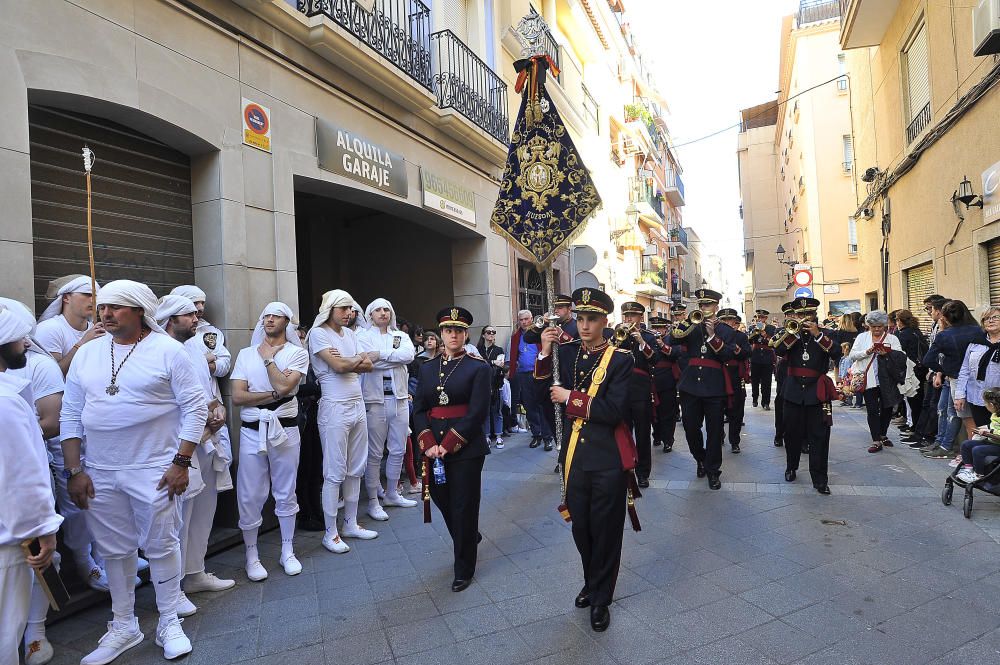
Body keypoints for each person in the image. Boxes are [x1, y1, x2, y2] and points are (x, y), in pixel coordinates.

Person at [60, 280, 208, 663]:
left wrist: (180, 463)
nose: (105, 314)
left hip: (155, 469)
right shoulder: (87, 353)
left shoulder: (169, 351)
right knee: (114, 550)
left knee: (161, 545)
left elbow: (195, 409)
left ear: (139, 310)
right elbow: (71, 413)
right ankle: (123, 624)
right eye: (103, 307)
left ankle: (169, 620)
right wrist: (75, 469)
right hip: (100, 471)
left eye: (116, 307)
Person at [535, 287, 633, 632]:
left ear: (605, 321)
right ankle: (592, 579)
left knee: (606, 530)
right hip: (574, 457)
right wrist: (546, 351)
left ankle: (601, 597)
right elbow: (540, 394)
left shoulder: (621, 359)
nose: (585, 325)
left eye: (592, 319)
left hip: (607, 458)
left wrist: (570, 399)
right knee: (581, 526)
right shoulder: (567, 352)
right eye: (580, 318)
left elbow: (614, 410)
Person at [155, 295, 232, 618]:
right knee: (178, 519)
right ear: (171, 320)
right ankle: (174, 588)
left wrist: (219, 411)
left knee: (204, 508)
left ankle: (195, 571)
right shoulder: (160, 350)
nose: (196, 319)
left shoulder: (198, 347)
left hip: (207, 437)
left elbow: (207, 392)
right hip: (180, 445)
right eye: (189, 315)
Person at [1, 299, 64, 665]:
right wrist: (43, 528)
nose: (26, 344)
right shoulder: (6, 402)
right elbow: (21, 478)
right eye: (18, 339)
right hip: (10, 542)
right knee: (6, 635)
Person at [413, 307, 490, 593]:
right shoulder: (427, 368)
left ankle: (464, 567)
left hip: (465, 448)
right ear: (441, 334)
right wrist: (429, 443)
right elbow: (419, 409)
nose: (453, 335)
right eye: (448, 330)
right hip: (433, 448)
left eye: (459, 330)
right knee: (442, 499)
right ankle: (468, 536)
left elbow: (478, 412)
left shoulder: (478, 367)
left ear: (466, 333)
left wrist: (448, 444)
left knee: (464, 506)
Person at [232, 303, 309, 581]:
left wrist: (268, 360)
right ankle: (251, 555)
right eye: (266, 315)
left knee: (286, 490)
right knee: (250, 494)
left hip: (285, 430)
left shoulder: (297, 353)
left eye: (276, 315)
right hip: (253, 430)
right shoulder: (244, 354)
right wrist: (274, 395)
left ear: (286, 321)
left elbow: (286, 386)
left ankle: (287, 550)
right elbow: (238, 397)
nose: (269, 319)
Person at [308, 290, 378, 554]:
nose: (350, 313)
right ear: (330, 309)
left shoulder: (349, 335)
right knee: (334, 470)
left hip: (357, 404)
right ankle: (331, 532)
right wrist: (354, 361)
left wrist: (351, 361)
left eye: (351, 309)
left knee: (355, 467)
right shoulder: (318, 334)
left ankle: (350, 523)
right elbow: (337, 367)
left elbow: (369, 364)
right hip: (334, 407)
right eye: (344, 309)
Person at [670, 288, 738, 490]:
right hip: (690, 385)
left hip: (714, 387)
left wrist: (711, 335)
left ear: (716, 307)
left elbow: (727, 355)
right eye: (701, 305)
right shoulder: (692, 325)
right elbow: (673, 339)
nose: (703, 308)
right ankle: (700, 458)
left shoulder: (726, 331)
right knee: (691, 428)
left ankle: (713, 470)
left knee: (715, 431)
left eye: (707, 305)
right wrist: (688, 322)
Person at [773, 297, 842, 494]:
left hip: (817, 392)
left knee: (820, 436)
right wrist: (792, 333)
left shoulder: (827, 333)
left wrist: (818, 335)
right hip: (793, 391)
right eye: (800, 314)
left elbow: (837, 353)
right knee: (791, 434)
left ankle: (820, 478)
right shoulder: (789, 333)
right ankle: (791, 467)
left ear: (815, 315)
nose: (804, 318)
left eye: (808, 314)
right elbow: (778, 350)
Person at [358, 298, 418, 520]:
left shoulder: (400, 336)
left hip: (400, 399)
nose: (383, 313)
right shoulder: (361, 337)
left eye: (386, 309)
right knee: (374, 454)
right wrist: (390, 359)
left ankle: (392, 493)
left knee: (398, 449)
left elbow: (408, 356)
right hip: (374, 401)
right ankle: (373, 500)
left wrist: (380, 355)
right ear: (370, 314)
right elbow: (366, 362)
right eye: (378, 310)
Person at [921, 300, 986, 459]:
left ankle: (970, 455)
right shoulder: (979, 331)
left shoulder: (945, 335)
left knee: (966, 418)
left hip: (956, 379)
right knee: (969, 416)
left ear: (946, 318)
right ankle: (954, 447)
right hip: (980, 379)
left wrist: (944, 371)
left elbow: (928, 360)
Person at [847, 311, 905, 453]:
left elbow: (901, 356)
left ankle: (883, 434)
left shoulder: (892, 338)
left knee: (887, 409)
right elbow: (852, 355)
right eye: (873, 326)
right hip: (869, 380)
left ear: (884, 325)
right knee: (872, 410)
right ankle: (876, 440)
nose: (877, 329)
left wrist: (888, 353)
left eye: (880, 326)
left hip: (887, 380)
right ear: (869, 326)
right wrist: (867, 352)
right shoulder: (862, 337)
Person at [619, 302, 660, 487]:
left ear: (640, 318)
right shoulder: (618, 335)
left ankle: (643, 472)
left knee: (643, 434)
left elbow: (655, 359)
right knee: (624, 432)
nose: (628, 320)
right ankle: (626, 467)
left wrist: (641, 342)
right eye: (626, 316)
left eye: (632, 316)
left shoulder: (649, 337)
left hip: (641, 390)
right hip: (621, 391)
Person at [36, 275, 104, 376]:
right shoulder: (49, 329)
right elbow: (52, 376)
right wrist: (82, 344)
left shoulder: (98, 331)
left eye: (96, 295)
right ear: (66, 298)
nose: (93, 300)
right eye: (87, 294)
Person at [508, 310, 553, 449]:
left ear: (532, 319)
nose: (524, 322)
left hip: (539, 374)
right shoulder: (516, 336)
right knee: (529, 405)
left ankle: (547, 437)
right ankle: (536, 435)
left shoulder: (539, 333)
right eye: (521, 320)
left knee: (542, 405)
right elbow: (513, 355)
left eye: (526, 319)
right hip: (523, 374)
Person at [955, 306, 1000, 429]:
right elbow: (965, 370)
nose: (990, 321)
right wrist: (959, 395)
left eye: (995, 317)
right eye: (986, 318)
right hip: (977, 398)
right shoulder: (975, 343)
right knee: (983, 433)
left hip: (998, 400)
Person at [718, 308, 751, 453]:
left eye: (729, 320)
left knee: (736, 411)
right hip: (717, 375)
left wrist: (737, 350)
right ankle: (719, 435)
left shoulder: (741, 336)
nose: (727, 323)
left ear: (735, 322)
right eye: (723, 320)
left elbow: (747, 353)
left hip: (735, 376)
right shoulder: (713, 336)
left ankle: (734, 441)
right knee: (717, 410)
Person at [649, 316, 683, 454]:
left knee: (667, 411)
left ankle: (668, 440)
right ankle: (656, 435)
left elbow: (676, 354)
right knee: (653, 410)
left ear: (666, 328)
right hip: (651, 379)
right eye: (655, 328)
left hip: (667, 379)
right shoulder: (648, 339)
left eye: (660, 328)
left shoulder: (672, 338)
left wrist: (662, 345)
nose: (657, 330)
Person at [955, 387, 1000, 484]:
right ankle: (968, 469)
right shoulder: (995, 415)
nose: (985, 405)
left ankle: (978, 474)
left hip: (998, 444)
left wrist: (989, 432)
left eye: (986, 403)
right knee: (966, 444)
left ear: (991, 405)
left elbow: (996, 430)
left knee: (978, 450)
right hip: (992, 441)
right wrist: (983, 429)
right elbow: (992, 425)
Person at [894, 309, 928, 432]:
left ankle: (914, 425)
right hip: (920, 368)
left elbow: (899, 353)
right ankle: (911, 423)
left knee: (911, 398)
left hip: (910, 370)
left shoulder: (902, 334)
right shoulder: (916, 332)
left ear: (899, 321)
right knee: (914, 398)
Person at [477, 326, 507, 450]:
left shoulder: (498, 349)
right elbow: (478, 363)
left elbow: (501, 365)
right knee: (485, 412)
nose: (491, 334)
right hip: (482, 385)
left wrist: (489, 362)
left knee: (497, 411)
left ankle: (499, 437)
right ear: (483, 335)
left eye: (493, 332)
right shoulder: (478, 349)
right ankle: (486, 437)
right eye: (488, 332)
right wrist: (493, 362)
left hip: (496, 385)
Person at [772, 302, 798, 447]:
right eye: (789, 314)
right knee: (781, 402)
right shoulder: (781, 332)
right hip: (785, 370)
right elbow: (776, 349)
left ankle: (803, 439)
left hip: (800, 369)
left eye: (794, 314)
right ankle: (779, 433)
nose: (791, 317)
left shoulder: (804, 330)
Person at [748, 309, 776, 410]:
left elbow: (773, 343)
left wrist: (765, 335)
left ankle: (766, 402)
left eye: (762, 317)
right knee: (754, 380)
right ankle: (755, 398)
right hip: (755, 357)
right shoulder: (752, 327)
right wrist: (755, 332)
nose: (760, 319)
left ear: (766, 318)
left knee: (766, 382)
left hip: (767, 358)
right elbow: (749, 340)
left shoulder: (771, 328)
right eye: (758, 317)